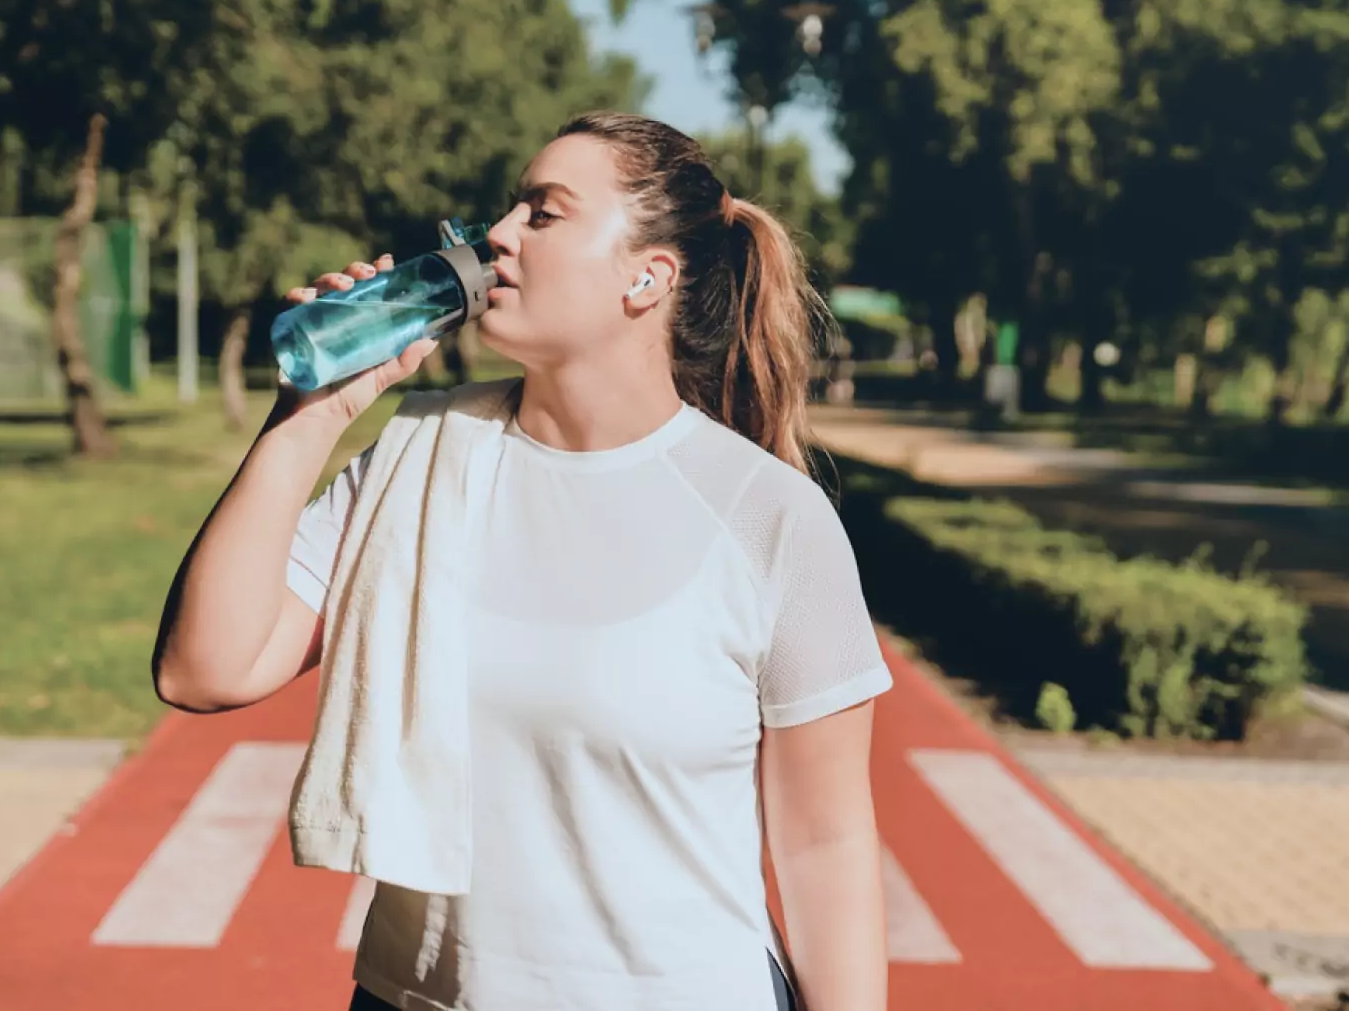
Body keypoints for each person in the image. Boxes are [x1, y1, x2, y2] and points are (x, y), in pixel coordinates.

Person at [152, 111, 892, 1011]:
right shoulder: (417, 455)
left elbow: (826, 845)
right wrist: (310, 414)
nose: (495, 234)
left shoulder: (769, 517)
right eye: (510, 209)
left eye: (544, 213)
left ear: (645, 277)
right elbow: (204, 668)